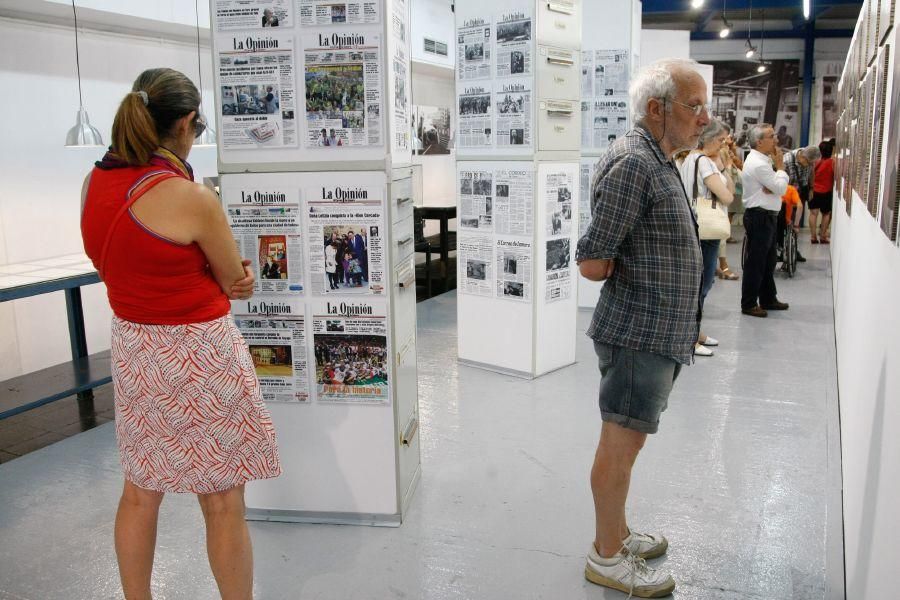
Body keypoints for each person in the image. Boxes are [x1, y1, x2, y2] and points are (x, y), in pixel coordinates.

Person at [80, 68, 281, 599]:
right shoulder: (191, 198)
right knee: (220, 500)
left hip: (135, 351)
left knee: (141, 492)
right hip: (199, 354)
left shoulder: (93, 183)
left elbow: (113, 261)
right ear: (187, 123)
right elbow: (232, 279)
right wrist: (237, 279)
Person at [576, 58, 708, 598]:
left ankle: (618, 532)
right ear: (657, 109)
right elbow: (592, 260)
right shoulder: (636, 162)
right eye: (694, 106)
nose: (705, 118)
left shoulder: (659, 157)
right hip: (638, 332)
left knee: (627, 445)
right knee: (619, 447)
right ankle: (606, 557)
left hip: (655, 333)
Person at [679, 118, 734, 357]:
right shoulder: (704, 162)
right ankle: (690, 337)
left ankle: (695, 332)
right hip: (706, 229)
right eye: (721, 139)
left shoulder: (690, 158)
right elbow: (728, 196)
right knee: (702, 284)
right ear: (710, 138)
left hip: (695, 225)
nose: (723, 144)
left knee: (699, 283)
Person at [740, 123, 790, 317]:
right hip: (759, 217)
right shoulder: (759, 163)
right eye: (771, 136)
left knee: (768, 262)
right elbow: (781, 189)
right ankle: (749, 303)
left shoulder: (763, 160)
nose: (776, 139)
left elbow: (776, 187)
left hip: (766, 217)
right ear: (759, 141)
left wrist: (776, 179)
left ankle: (768, 298)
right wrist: (780, 170)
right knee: (756, 263)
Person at [783, 145, 821, 260]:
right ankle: (781, 247)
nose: (810, 165)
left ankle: (793, 249)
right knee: (784, 221)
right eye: (809, 163)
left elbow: (812, 173)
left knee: (796, 222)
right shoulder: (787, 160)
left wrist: (811, 188)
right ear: (803, 157)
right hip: (786, 194)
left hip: (800, 193)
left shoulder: (809, 160)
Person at [810, 141, 835, 244]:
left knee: (813, 213)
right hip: (826, 191)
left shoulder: (815, 162)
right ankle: (823, 236)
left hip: (814, 190)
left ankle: (813, 237)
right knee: (826, 214)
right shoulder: (833, 162)